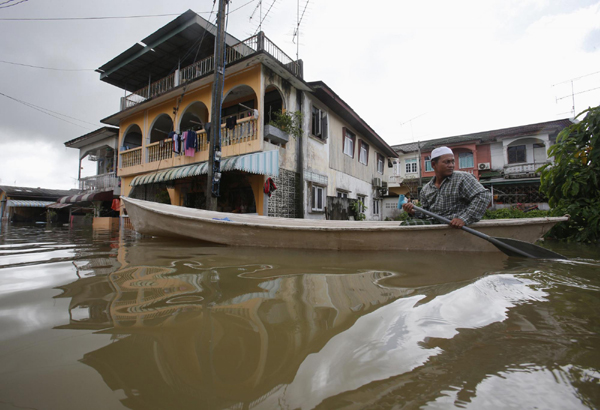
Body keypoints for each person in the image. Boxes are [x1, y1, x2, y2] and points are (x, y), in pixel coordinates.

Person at [402, 146, 492, 228]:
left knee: (407, 225)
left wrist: (464, 219)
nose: (451, 165)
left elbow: (483, 196)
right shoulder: (426, 189)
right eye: (447, 162)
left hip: (452, 226)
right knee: (405, 225)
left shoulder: (462, 178)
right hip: (434, 225)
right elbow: (426, 212)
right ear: (433, 165)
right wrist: (413, 211)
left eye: (453, 161)